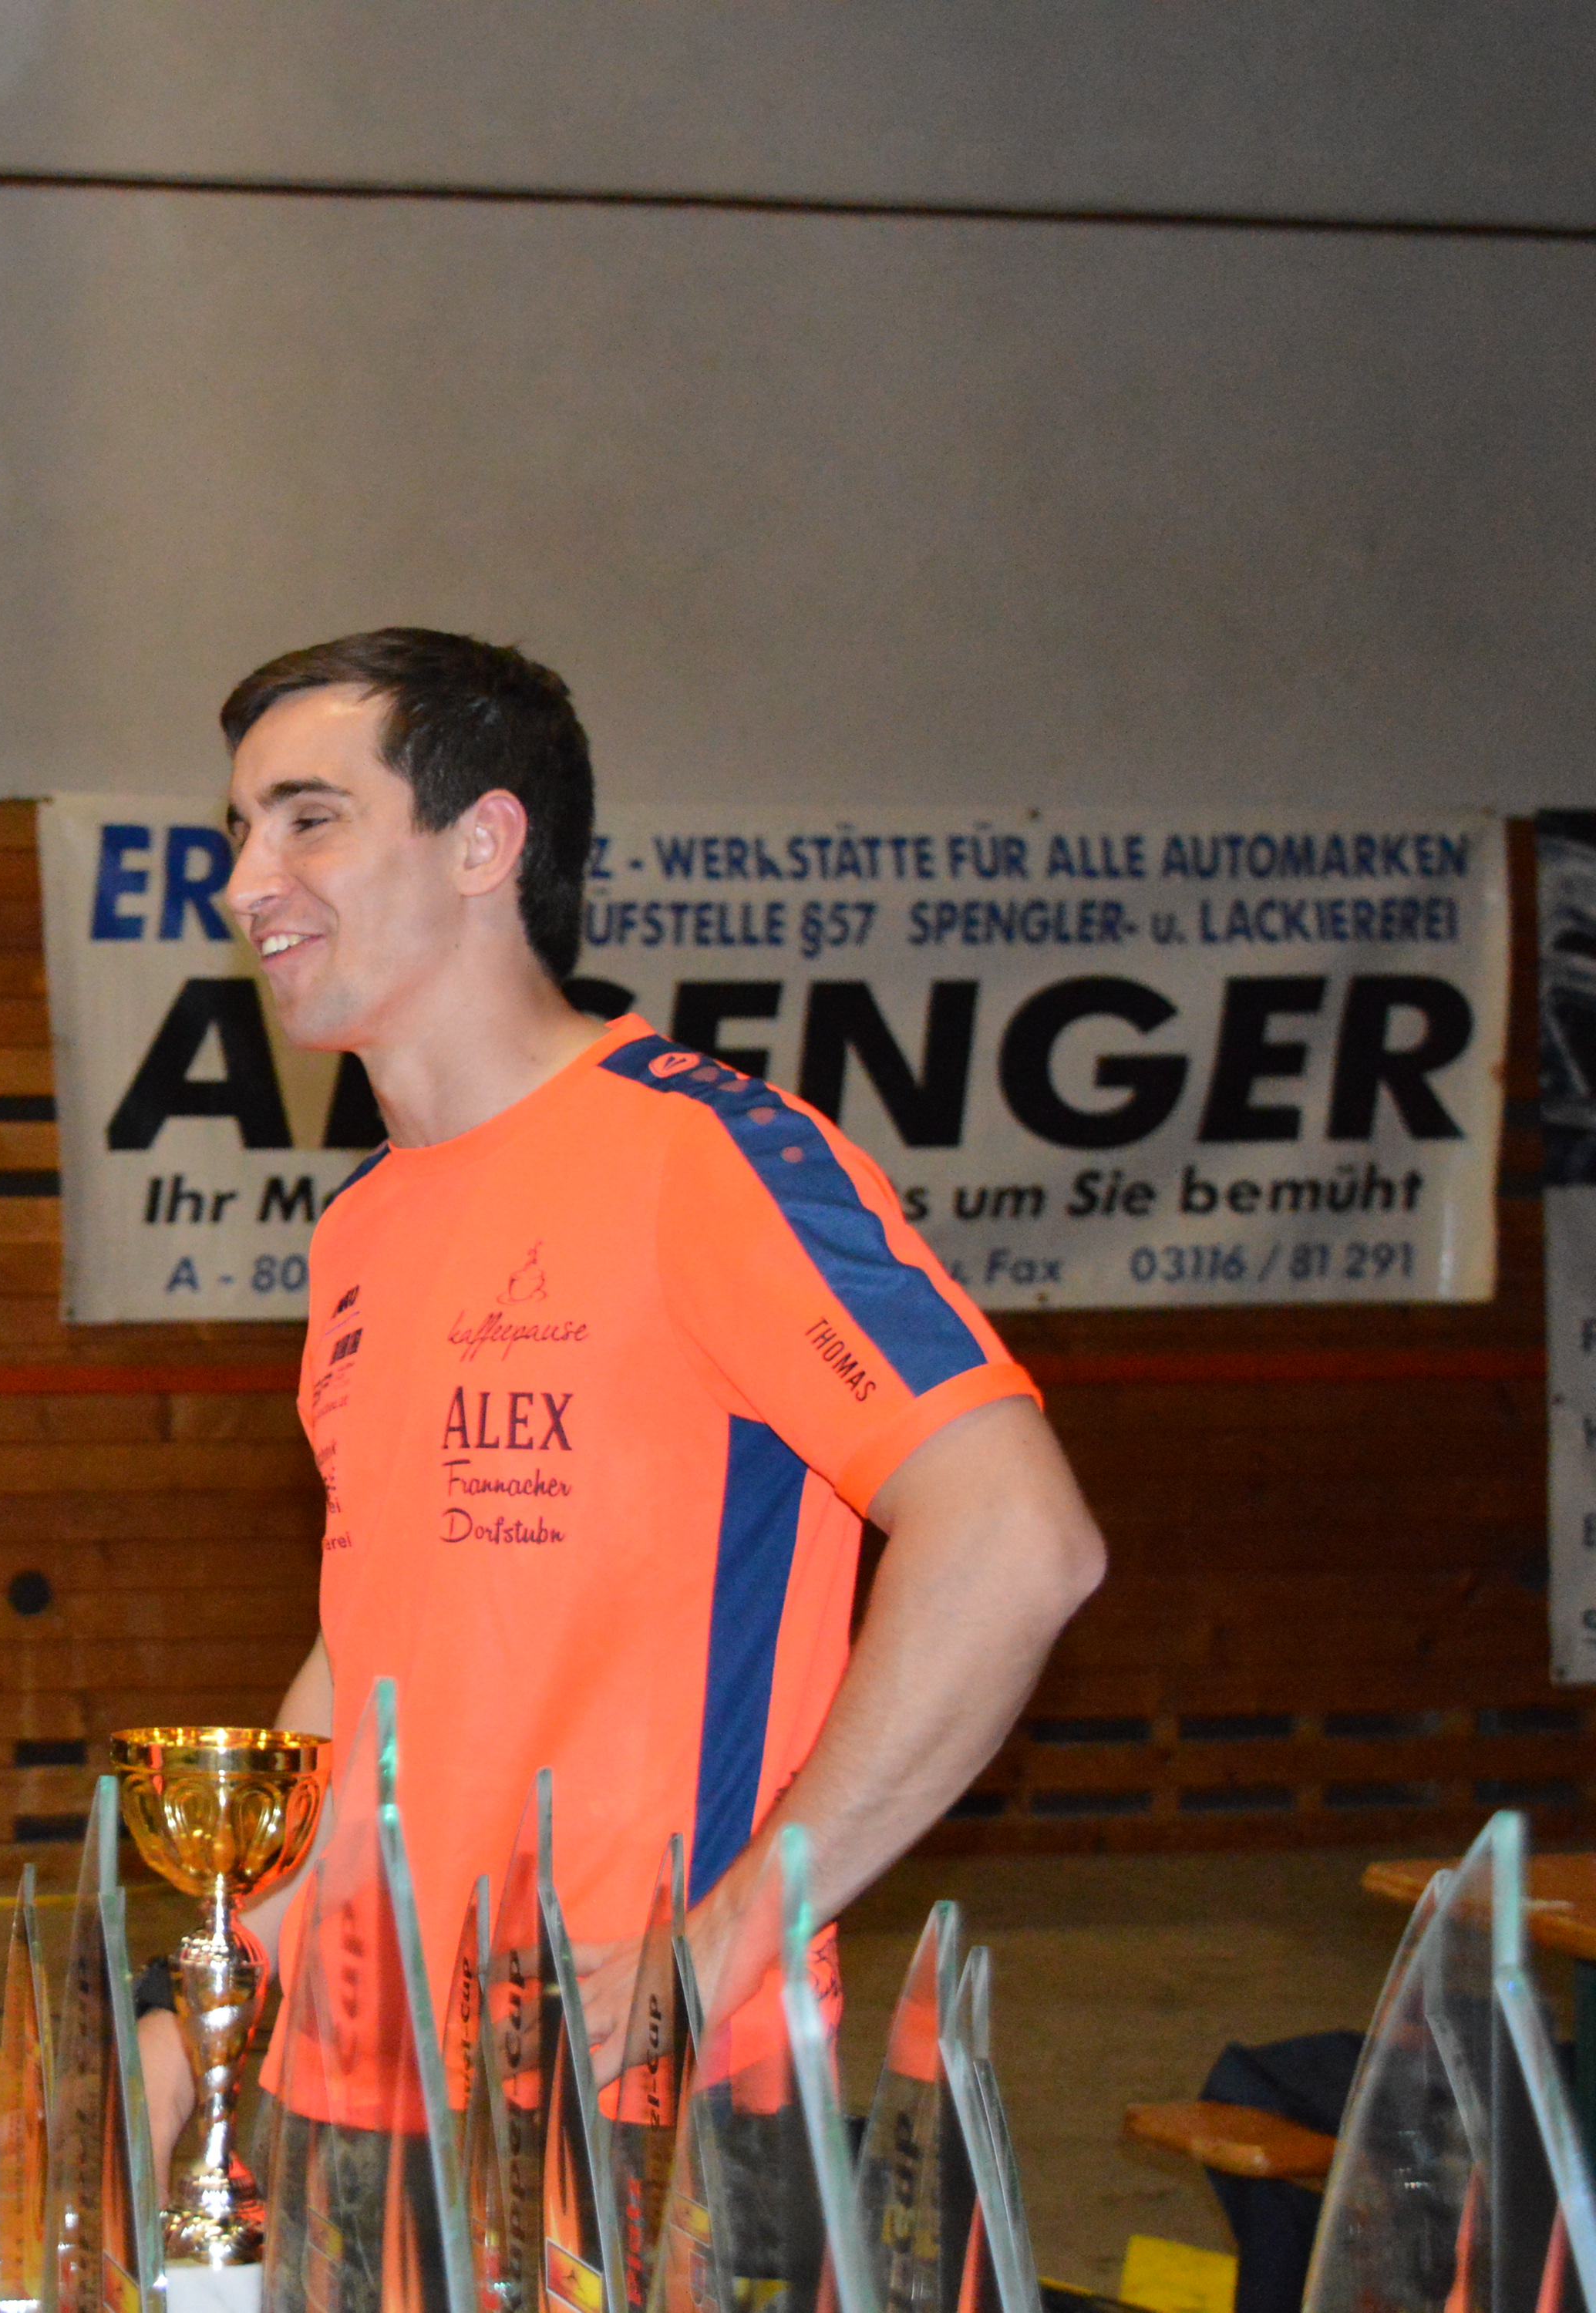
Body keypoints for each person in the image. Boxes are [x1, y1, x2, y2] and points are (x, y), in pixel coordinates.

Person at [207, 629, 1103, 2161]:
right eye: (239, 829)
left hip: (635, 2105)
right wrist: (221, 2011)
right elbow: (368, 1654)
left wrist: (720, 1946)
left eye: (309, 819)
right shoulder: (359, 1227)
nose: (246, 882)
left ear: (485, 842)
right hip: (361, 2085)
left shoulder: (703, 1159)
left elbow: (1018, 1541)